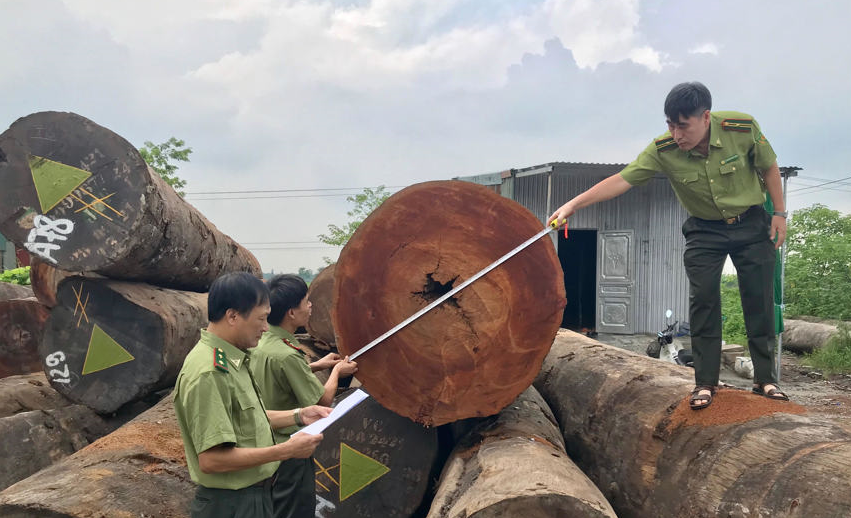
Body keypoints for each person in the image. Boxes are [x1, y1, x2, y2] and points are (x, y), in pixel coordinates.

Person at [548, 81, 789, 410]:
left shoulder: (741, 128)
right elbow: (623, 178)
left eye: (683, 125)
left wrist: (779, 213)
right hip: (704, 231)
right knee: (703, 299)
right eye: (670, 125)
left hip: (751, 222)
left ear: (705, 117)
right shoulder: (662, 149)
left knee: (758, 299)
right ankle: (705, 382)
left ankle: (766, 379)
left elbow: (769, 167)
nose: (677, 134)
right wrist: (573, 205)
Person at [173, 272, 332, 518]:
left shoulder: (232, 358)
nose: (266, 328)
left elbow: (248, 419)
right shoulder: (210, 372)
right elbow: (212, 460)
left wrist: (299, 415)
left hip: (253, 498)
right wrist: (286, 450)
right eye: (261, 319)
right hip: (233, 505)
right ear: (233, 316)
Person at [249, 273, 358, 518]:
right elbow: (321, 401)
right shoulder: (288, 354)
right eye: (306, 301)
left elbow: (279, 374)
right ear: (291, 313)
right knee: (294, 509)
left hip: (261, 446)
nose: (310, 306)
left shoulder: (264, 342)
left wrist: (318, 366)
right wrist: (337, 372)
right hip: (289, 449)